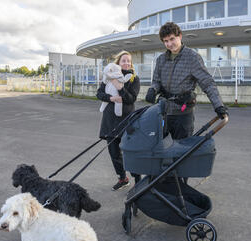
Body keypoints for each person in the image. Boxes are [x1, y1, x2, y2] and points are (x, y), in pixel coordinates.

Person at [145, 22, 228, 140]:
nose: (169, 44)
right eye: (165, 41)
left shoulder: (192, 57)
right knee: (160, 149)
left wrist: (218, 105)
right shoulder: (161, 59)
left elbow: (207, 83)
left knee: (181, 152)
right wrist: (153, 89)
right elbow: (156, 81)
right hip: (163, 112)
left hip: (183, 114)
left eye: (172, 39)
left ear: (180, 36)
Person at [97, 51, 141, 191]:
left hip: (127, 120)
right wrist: (111, 98)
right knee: (114, 152)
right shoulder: (108, 76)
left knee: (130, 152)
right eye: (124, 61)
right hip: (110, 120)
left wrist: (120, 88)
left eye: (129, 61)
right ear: (118, 63)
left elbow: (131, 99)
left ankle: (138, 180)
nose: (127, 63)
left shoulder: (134, 79)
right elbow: (99, 94)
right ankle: (122, 178)